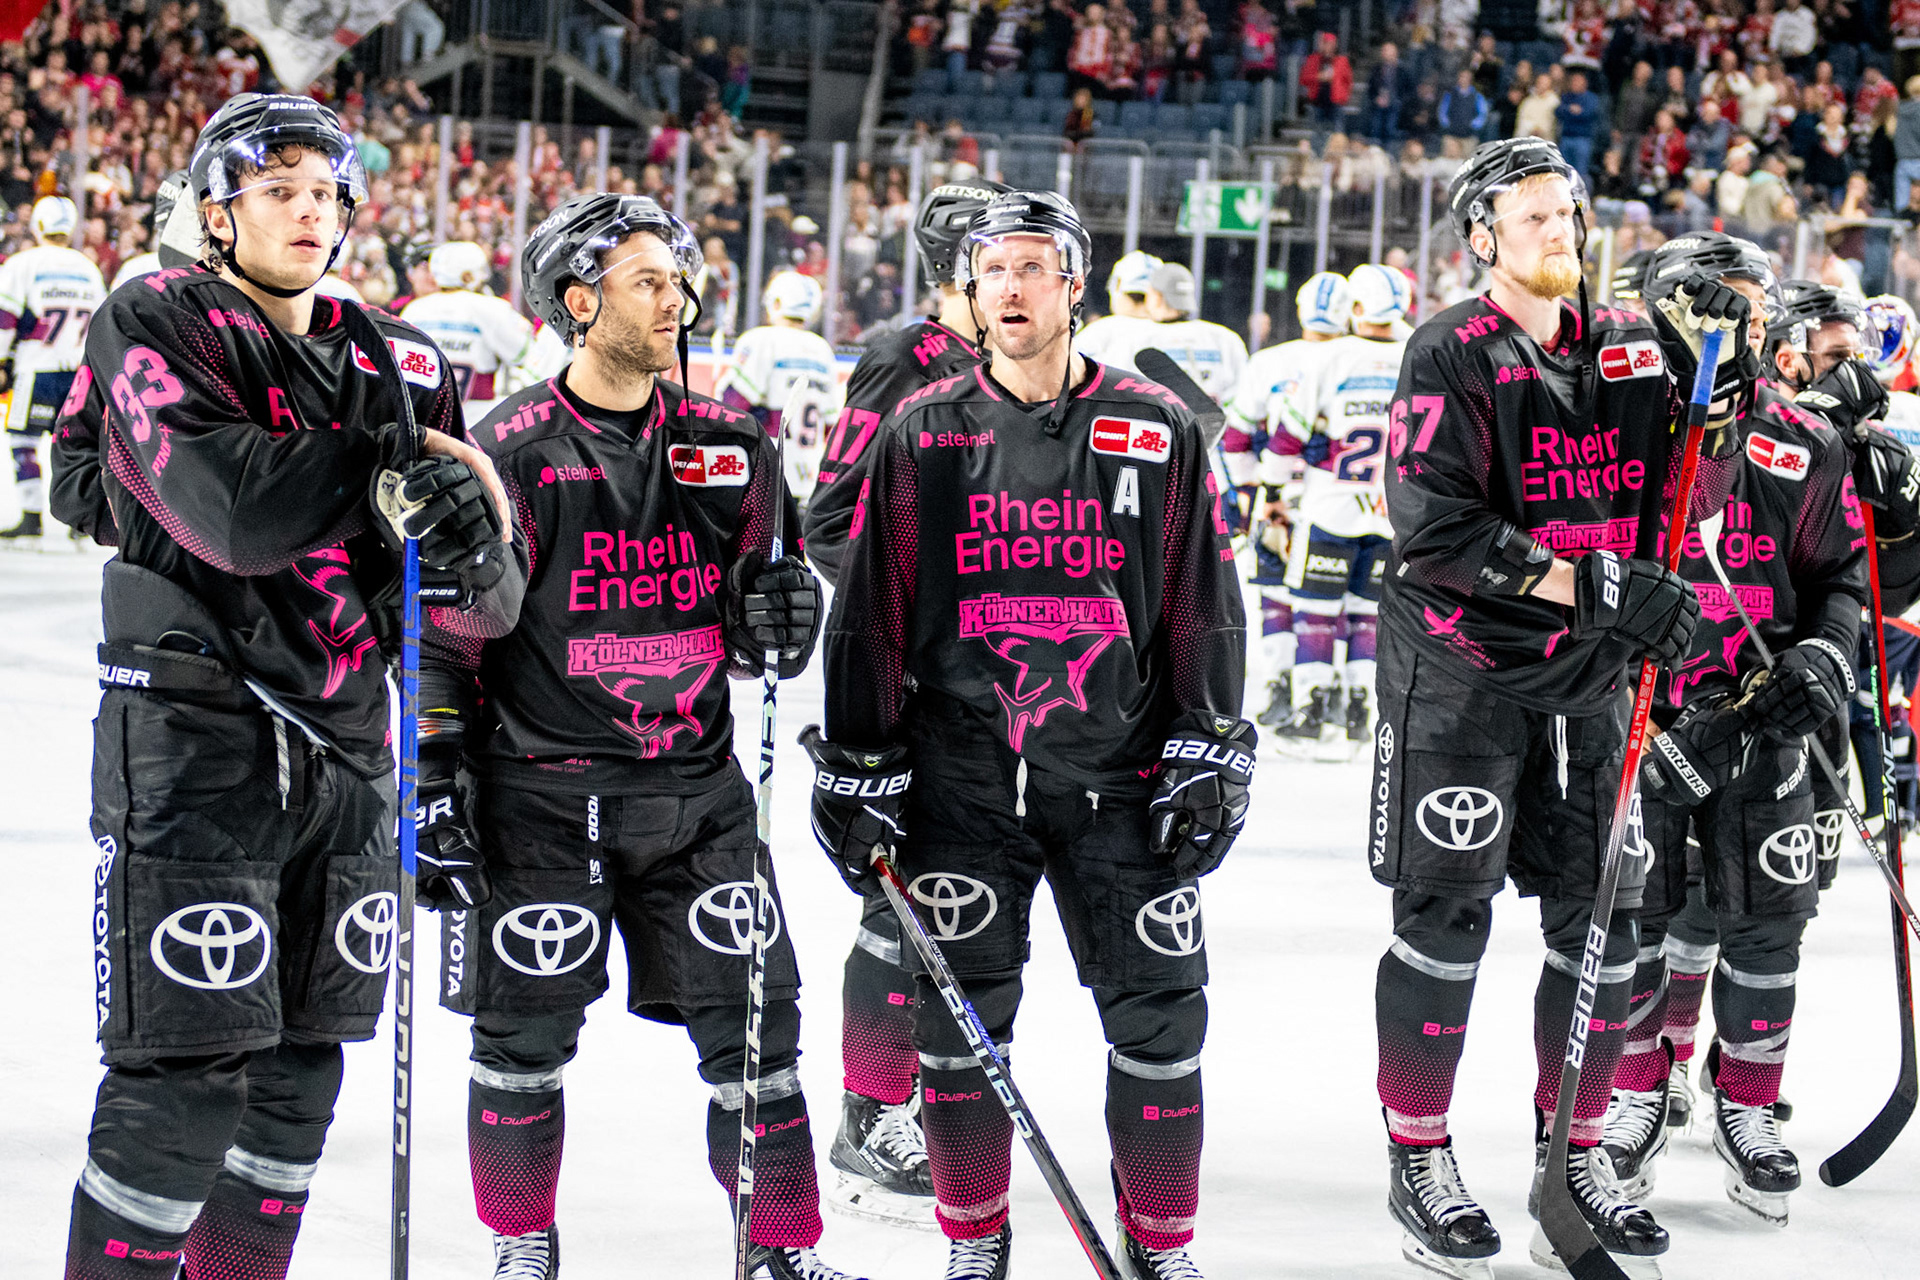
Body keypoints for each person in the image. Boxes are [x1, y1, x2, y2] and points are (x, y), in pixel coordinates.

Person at [53, 91, 522, 1279]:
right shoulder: (156, 316)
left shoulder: (403, 356)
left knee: (304, 1067)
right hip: (198, 738)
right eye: (280, 191)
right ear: (219, 211)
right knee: (185, 1072)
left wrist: (475, 546)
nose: (311, 212)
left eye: (326, 194)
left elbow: (478, 607)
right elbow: (235, 513)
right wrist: (382, 469)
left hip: (353, 748)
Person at [810, 189, 1250, 1280]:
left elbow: (1201, 597)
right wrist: (860, 755)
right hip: (963, 776)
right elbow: (873, 605)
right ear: (967, 290)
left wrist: (1214, 740)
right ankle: (974, 1244)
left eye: (1032, 268)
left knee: (1161, 1017)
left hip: (1123, 770)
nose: (1011, 287)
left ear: (1074, 284)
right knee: (961, 1024)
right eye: (991, 270)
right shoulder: (926, 430)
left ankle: (1160, 1247)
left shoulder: (1154, 421)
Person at [421, 192, 855, 1280]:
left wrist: (780, 622)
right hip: (536, 798)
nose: (680, 298)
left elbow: (765, 629)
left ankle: (779, 1251)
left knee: (762, 1037)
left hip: (694, 798)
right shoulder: (506, 451)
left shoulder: (732, 446)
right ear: (580, 300)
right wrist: (428, 780)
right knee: (519, 1045)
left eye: (681, 279)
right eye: (651, 279)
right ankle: (523, 1244)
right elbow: (446, 635)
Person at [1372, 138, 1758, 1280]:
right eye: (1534, 216)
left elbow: (1678, 508)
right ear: (1482, 236)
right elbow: (1431, 530)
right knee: (1447, 918)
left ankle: (1574, 1149)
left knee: (1604, 920)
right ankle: (1420, 1150)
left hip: (1594, 676)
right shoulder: (1450, 350)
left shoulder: (1636, 350)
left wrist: (1721, 423)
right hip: (1462, 669)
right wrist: (1597, 584)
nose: (1560, 231)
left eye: (1568, 214)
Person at [1605, 268, 1873, 1229]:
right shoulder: (1617, 420)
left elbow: (1843, 576)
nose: (1738, 331)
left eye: (1752, 315)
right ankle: (1637, 1092)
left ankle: (1749, 1106)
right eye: (1711, 313)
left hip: (1769, 720)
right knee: (1635, 919)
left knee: (1769, 919)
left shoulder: (1802, 437)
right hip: (1643, 720)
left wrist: (1825, 657)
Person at [802, 179, 1004, 590]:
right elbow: (831, 525)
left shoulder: (1010, 366)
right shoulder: (906, 362)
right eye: (1011, 256)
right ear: (970, 264)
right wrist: (932, 613)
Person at [1263, 263, 1408, 755]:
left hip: (1330, 509)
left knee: (1316, 611)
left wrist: (1272, 495)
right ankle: (1359, 715)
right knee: (1369, 615)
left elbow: (1288, 435)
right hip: (1394, 513)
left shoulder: (1331, 357)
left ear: (1357, 309)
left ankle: (1312, 714)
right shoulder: (1422, 352)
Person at [1224, 270, 1351, 727]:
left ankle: (1280, 687)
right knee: (1334, 602)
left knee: (1275, 596)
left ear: (1300, 309)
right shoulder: (1353, 358)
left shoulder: (1269, 362)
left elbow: (1235, 438)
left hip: (1275, 498)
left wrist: (1245, 493)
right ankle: (1329, 693)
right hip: (1335, 498)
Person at [0, 195, 105, 541]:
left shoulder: (23, 264)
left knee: (23, 439)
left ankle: (31, 518)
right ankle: (83, 521)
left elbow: (4, 319)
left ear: (38, 225)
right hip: (80, 374)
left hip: (36, 367)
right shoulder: (88, 268)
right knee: (78, 446)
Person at [715, 269, 844, 506]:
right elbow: (830, 426)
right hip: (808, 479)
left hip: (765, 475)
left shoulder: (761, 340)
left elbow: (733, 406)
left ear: (776, 302)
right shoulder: (822, 349)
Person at [399, 240, 539, 425]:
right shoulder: (491, 308)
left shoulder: (413, 310)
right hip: (477, 422)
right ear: (469, 274)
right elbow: (525, 353)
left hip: (423, 421)